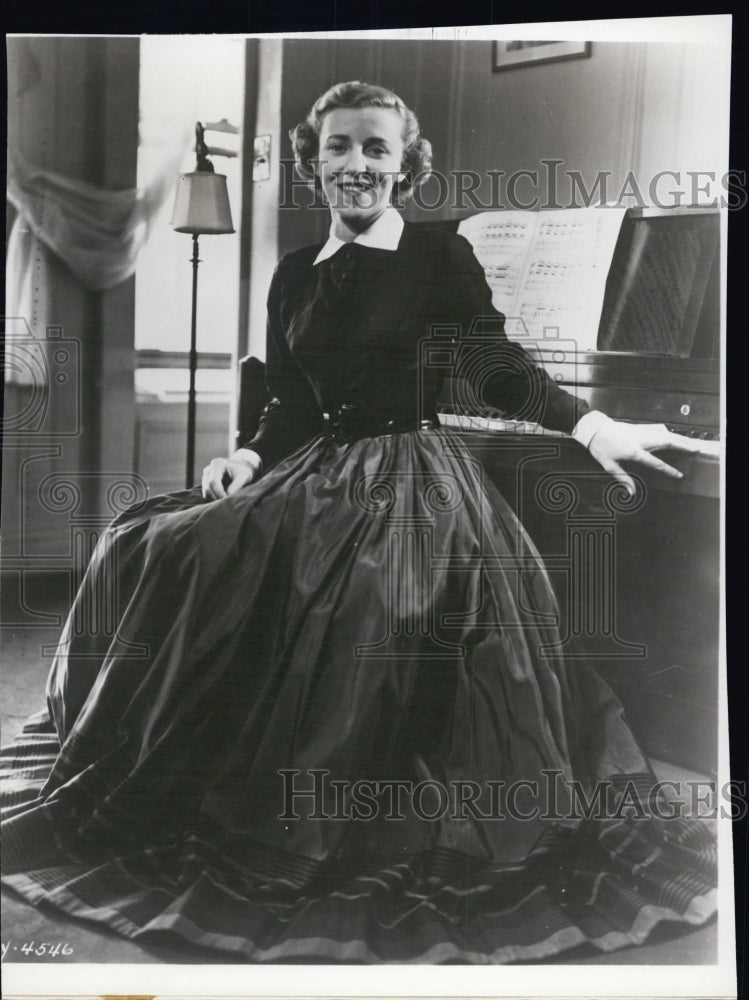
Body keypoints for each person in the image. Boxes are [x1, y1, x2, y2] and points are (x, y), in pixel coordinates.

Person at [1, 81, 716, 964]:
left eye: (376, 149)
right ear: (313, 162)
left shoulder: (435, 256)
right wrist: (248, 459)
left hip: (412, 486)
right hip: (310, 475)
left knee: (379, 607)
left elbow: (492, 364)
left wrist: (592, 423)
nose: (357, 165)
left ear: (404, 165)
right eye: (338, 147)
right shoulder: (293, 271)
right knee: (149, 539)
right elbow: (290, 401)